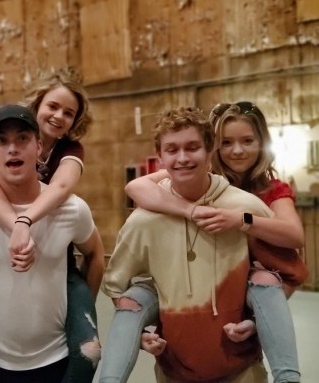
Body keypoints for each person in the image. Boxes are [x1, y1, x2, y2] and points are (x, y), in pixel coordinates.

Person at [102, 102, 307, 383]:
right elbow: (117, 286)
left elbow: (291, 261)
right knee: (135, 297)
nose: (182, 158)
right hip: (175, 368)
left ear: (210, 151)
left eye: (193, 147)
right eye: (172, 150)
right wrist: (138, 336)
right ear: (160, 156)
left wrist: (255, 320)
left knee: (263, 279)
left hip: (241, 368)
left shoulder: (246, 206)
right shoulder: (144, 220)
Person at [0, 71, 100, 382]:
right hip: (15, 231)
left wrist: (25, 220)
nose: (58, 116)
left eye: (68, 113)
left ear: (38, 145)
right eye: (53, 106)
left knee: (89, 351)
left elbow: (61, 188)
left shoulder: (70, 153)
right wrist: (17, 227)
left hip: (63, 269)